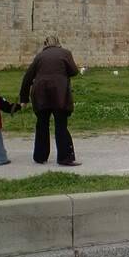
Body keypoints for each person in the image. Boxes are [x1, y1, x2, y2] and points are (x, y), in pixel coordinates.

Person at [19, 35, 81, 166]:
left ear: (45, 44)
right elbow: (74, 71)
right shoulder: (65, 53)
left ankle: (40, 156)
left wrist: (23, 98)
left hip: (40, 94)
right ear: (58, 43)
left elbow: (27, 77)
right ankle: (64, 157)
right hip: (60, 94)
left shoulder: (39, 57)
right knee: (61, 125)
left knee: (42, 125)